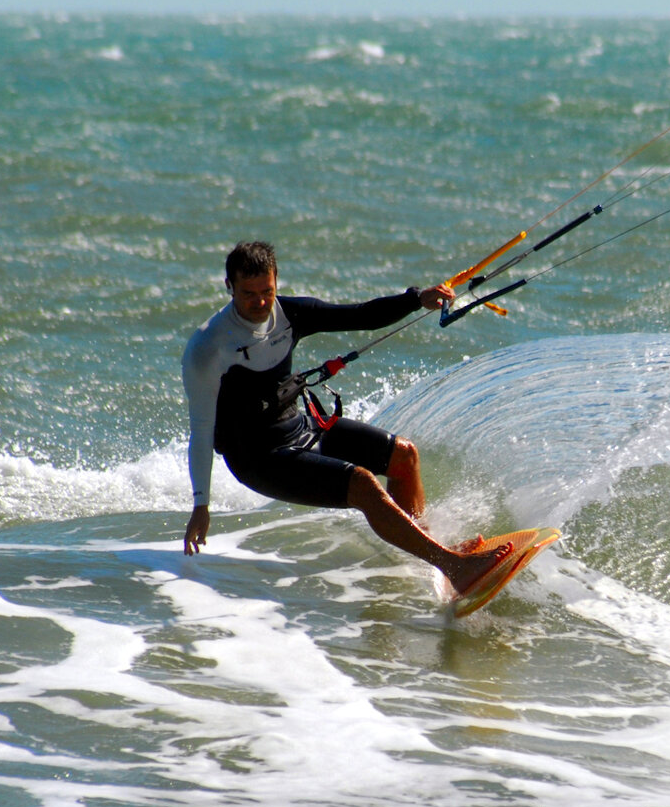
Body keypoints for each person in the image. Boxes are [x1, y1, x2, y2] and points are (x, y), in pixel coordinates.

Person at [182, 240, 510, 593]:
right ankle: (453, 566)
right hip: (259, 458)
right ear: (228, 286)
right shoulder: (208, 347)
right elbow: (201, 431)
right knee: (363, 485)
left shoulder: (290, 314)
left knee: (404, 456)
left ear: (277, 280)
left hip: (302, 427)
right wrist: (202, 504)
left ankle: (431, 555)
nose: (261, 302)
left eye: (268, 290)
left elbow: (360, 315)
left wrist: (417, 299)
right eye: (249, 293)